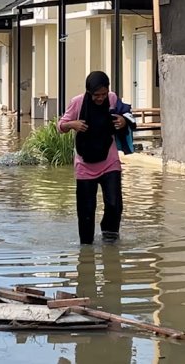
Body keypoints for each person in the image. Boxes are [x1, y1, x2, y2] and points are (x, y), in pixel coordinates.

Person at [58, 71, 130, 245]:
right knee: (86, 212)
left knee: (114, 205)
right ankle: (87, 249)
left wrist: (123, 120)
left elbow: (127, 114)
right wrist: (72, 124)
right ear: (89, 92)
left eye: (103, 94)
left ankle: (110, 240)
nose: (100, 98)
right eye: (96, 95)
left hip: (109, 161)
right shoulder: (77, 102)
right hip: (85, 165)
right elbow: (60, 126)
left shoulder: (112, 99)